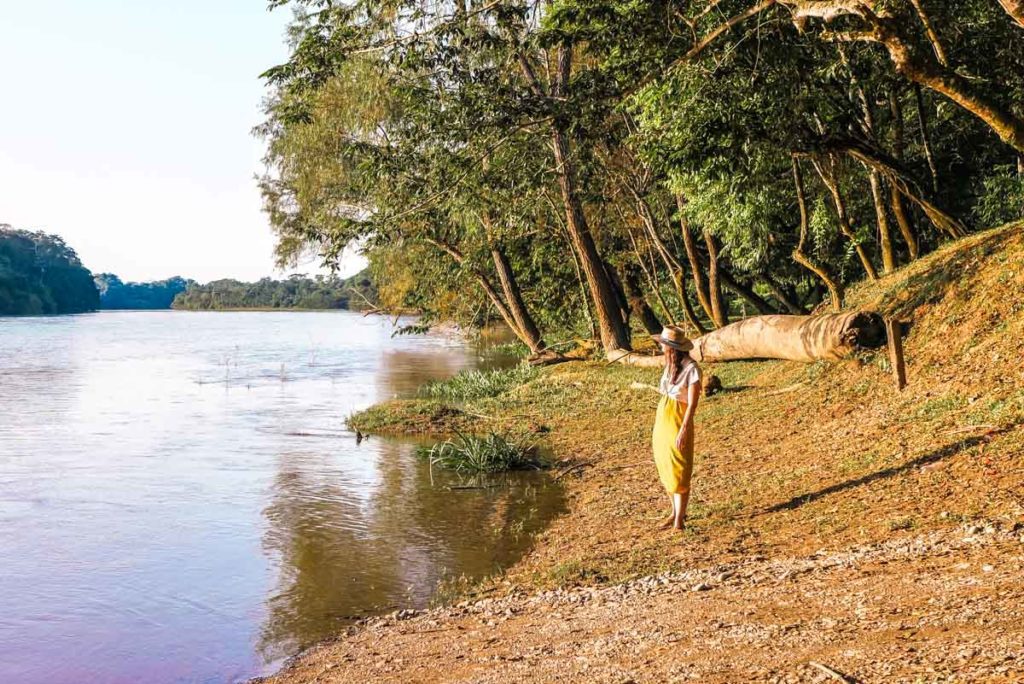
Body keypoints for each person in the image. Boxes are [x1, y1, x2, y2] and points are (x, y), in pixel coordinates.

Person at [651, 325, 702, 531]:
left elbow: (692, 403)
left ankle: (679, 520)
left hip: (678, 418)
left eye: (664, 346)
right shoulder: (670, 364)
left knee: (679, 466)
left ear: (673, 348)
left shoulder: (692, 369)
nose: (661, 348)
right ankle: (674, 512)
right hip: (664, 417)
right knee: (665, 464)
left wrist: (683, 428)